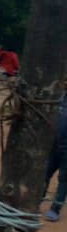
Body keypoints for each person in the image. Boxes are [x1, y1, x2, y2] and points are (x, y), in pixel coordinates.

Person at [43, 93, 67, 222]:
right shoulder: (59, 98)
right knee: (44, 173)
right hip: (53, 145)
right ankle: (36, 200)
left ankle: (55, 208)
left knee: (64, 179)